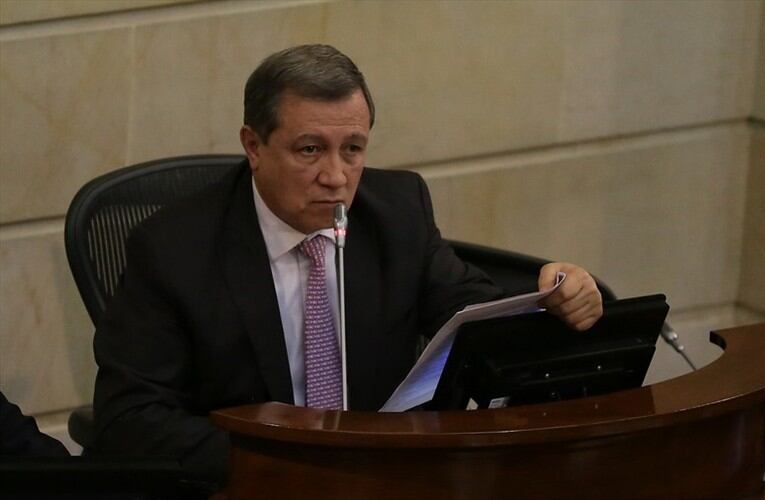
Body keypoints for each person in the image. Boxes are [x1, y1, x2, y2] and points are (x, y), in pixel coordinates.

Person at [91, 44, 603, 488]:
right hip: (254, 483)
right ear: (253, 146)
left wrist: (553, 299)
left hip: (388, 480)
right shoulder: (173, 249)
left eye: (352, 150)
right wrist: (290, 467)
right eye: (310, 150)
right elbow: (130, 418)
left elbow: (468, 315)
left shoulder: (397, 212)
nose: (335, 177)